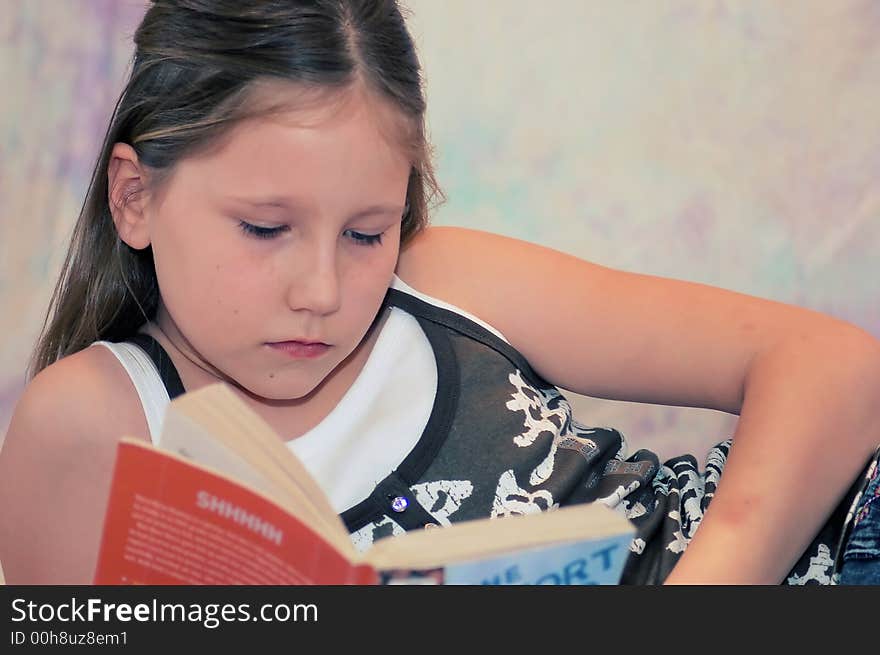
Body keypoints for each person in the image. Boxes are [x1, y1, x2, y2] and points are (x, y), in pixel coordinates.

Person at [0, 0, 878, 586]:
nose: (322, 290)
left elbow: (834, 366)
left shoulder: (443, 282)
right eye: (265, 229)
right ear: (136, 196)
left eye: (366, 232)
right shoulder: (95, 419)